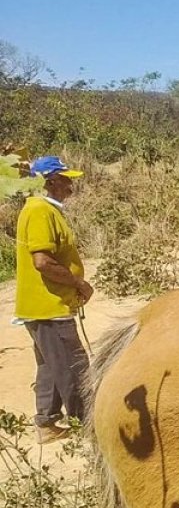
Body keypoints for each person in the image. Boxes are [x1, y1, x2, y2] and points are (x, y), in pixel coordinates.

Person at [13, 156, 93, 444]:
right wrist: (77, 283)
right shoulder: (39, 211)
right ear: (50, 181)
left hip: (44, 306)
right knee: (74, 365)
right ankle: (88, 424)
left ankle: (46, 422)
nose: (70, 185)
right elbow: (42, 261)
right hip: (49, 306)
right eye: (65, 179)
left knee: (50, 365)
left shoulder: (46, 210)